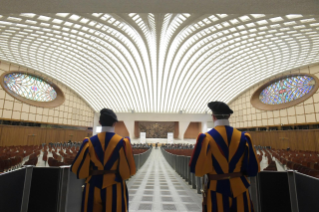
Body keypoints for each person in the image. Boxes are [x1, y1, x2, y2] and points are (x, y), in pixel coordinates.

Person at [189, 101, 260, 212]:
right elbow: (253, 169)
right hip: (240, 190)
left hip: (216, 190)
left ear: (213, 117)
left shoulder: (206, 138)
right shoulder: (244, 137)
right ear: (229, 116)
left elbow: (198, 170)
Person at [71, 108, 136, 212]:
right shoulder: (123, 142)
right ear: (115, 123)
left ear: (100, 122)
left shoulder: (89, 142)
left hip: (92, 185)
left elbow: (77, 167)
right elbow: (130, 170)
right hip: (115, 185)